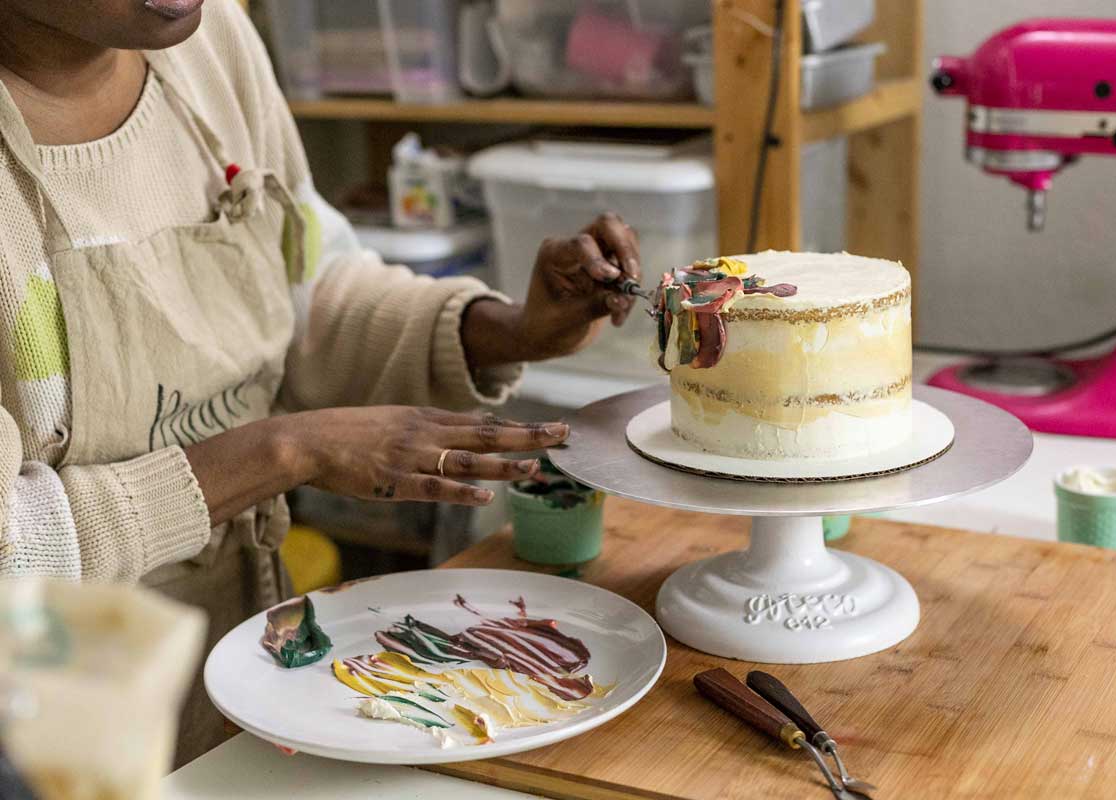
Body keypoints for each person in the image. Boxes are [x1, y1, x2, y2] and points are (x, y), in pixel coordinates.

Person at [0, 0, 641, 763]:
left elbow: (303, 290)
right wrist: (279, 455)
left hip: (231, 658)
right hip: (39, 725)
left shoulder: (210, 45)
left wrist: (505, 330)